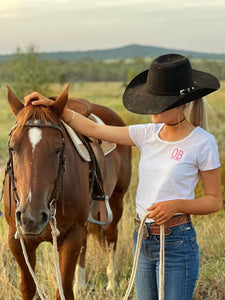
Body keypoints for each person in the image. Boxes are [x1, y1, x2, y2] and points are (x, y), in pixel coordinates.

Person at [24, 54, 222, 300]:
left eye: (158, 102)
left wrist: (177, 205)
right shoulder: (147, 133)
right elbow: (95, 129)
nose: (150, 108)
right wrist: (54, 106)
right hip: (143, 239)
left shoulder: (203, 143)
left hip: (177, 244)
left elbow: (214, 200)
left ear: (180, 103)